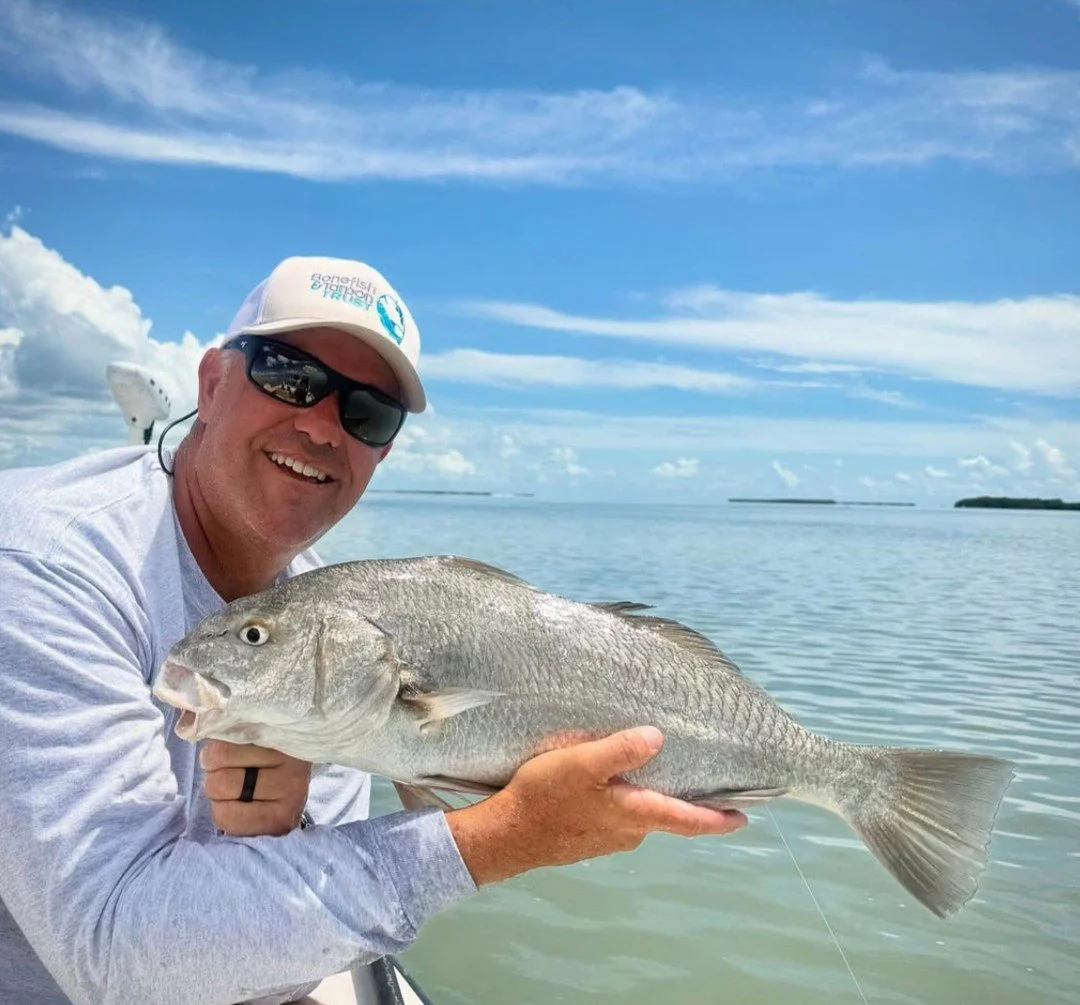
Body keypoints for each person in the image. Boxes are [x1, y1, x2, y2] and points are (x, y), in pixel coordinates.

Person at [0, 255, 747, 1004]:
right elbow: (117, 954)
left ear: (382, 450)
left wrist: (267, 840)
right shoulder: (40, 564)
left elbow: (279, 967)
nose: (323, 424)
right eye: (291, 376)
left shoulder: (334, 623)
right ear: (211, 383)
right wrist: (505, 834)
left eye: (368, 412)